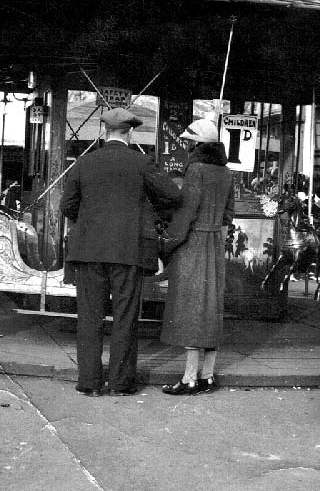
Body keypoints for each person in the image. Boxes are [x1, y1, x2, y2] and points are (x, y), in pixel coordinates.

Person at [60, 107, 181, 397]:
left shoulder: (84, 163)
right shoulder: (142, 163)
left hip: (89, 250)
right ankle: (120, 383)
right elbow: (173, 196)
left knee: (90, 317)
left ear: (105, 132)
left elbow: (67, 206)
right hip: (129, 250)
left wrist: (91, 222)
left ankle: (89, 383)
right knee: (125, 317)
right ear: (129, 132)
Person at [159, 119, 234, 396]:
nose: (187, 144)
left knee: (191, 309)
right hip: (215, 242)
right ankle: (208, 375)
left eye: (190, 141)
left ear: (198, 143)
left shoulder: (196, 169)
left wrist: (167, 245)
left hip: (194, 243)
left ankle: (190, 378)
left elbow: (186, 212)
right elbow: (227, 215)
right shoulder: (226, 172)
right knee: (212, 308)